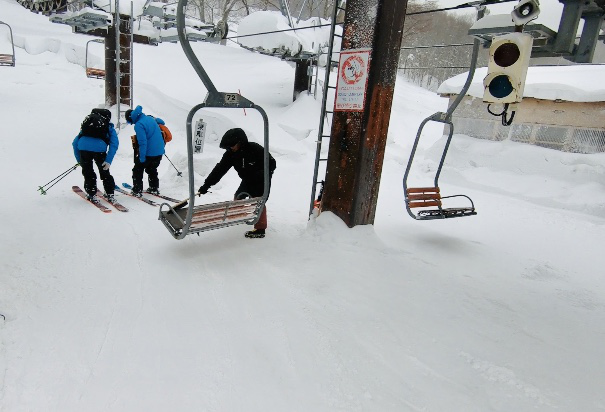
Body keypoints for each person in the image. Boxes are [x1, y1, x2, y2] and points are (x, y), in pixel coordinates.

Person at [198, 128, 276, 239]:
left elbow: (272, 163)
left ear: (240, 142)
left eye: (232, 146)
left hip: (261, 180)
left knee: (258, 203)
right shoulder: (231, 154)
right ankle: (240, 216)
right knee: (238, 197)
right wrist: (206, 185)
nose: (230, 148)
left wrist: (262, 173)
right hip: (247, 179)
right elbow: (220, 169)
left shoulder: (255, 149)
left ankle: (260, 229)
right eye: (228, 147)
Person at [72, 108, 119, 203]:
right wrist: (108, 161)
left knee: (88, 172)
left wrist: (80, 160)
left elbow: (74, 143)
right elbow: (114, 144)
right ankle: (109, 193)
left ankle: (91, 193)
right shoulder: (108, 127)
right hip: (100, 149)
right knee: (104, 172)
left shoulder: (87, 126)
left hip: (83, 147)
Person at [125, 105, 165, 197]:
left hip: (149, 152)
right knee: (152, 169)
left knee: (137, 170)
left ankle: (137, 190)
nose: (131, 123)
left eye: (129, 121)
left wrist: (142, 157)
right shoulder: (150, 119)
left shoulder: (139, 125)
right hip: (159, 151)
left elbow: (142, 142)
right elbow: (161, 124)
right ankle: (154, 187)